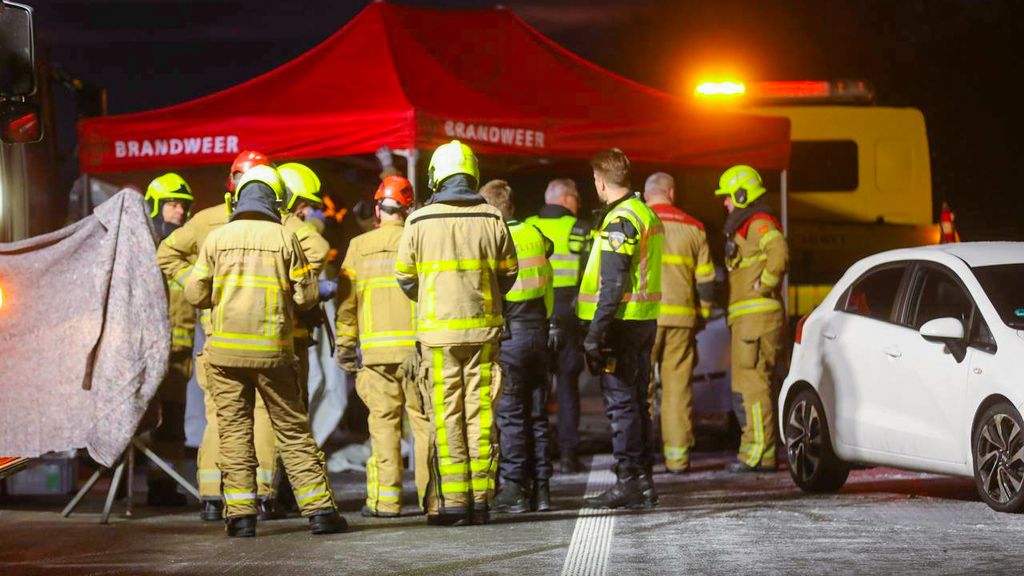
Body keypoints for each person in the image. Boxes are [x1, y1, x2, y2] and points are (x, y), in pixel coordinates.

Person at [183, 165, 345, 537]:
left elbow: (195, 294)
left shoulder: (217, 238)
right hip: (273, 352)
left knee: (234, 432)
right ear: (277, 199)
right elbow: (305, 298)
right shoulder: (286, 238)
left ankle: (240, 517)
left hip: (223, 355)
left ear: (238, 197)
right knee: (292, 430)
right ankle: (319, 512)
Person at [395, 140, 518, 526]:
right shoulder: (492, 218)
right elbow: (509, 273)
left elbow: (405, 278)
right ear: (472, 174)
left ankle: (454, 503)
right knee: (480, 415)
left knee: (446, 416)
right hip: (483, 333)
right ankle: (481, 501)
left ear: (436, 176)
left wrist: (434, 297)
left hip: (437, 336)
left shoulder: (417, 221)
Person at [156, 150, 280, 521]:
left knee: (219, 415)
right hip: (266, 333)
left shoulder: (206, 221)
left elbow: (167, 255)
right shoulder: (275, 224)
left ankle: (212, 496)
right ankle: (260, 494)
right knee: (261, 414)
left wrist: (201, 292)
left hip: (219, 336)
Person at [335, 175, 430, 518]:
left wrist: (345, 344)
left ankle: (385, 502)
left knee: (383, 425)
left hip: (375, 354)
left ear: (378, 208)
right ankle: (431, 499)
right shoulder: (419, 240)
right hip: (416, 352)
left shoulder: (359, 247)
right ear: (408, 209)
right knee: (423, 425)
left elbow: (346, 304)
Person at [577, 148, 663, 509]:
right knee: (638, 403)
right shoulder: (644, 213)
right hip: (642, 320)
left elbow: (611, 286)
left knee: (622, 405)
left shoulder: (619, 221)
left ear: (600, 181)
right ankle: (642, 481)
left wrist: (596, 334)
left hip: (621, 323)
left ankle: (629, 480)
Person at [480, 180, 557, 514]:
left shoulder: (492, 239)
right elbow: (549, 254)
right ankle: (542, 490)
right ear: (510, 204)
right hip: (540, 333)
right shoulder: (535, 233)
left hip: (510, 336)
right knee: (538, 416)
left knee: (511, 417)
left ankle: (513, 489)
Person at [715, 165, 788, 473]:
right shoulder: (747, 225)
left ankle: (758, 453)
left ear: (743, 194)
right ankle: (759, 451)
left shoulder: (757, 223)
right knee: (756, 384)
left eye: (729, 196)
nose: (725, 203)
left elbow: (779, 253)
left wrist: (766, 283)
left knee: (752, 386)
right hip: (751, 320)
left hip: (754, 320)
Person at [643, 172, 715, 474]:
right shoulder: (694, 227)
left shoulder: (637, 222)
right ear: (671, 193)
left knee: (639, 390)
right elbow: (707, 283)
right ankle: (677, 459)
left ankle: (640, 459)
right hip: (683, 319)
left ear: (647, 195)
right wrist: (705, 316)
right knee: (677, 390)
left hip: (643, 318)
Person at [523, 179, 590, 473]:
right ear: (566, 198)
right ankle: (568, 454)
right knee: (567, 386)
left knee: (535, 387)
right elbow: (593, 273)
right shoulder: (580, 229)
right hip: (569, 313)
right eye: (576, 198)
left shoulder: (527, 227)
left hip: (534, 311)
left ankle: (536, 454)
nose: (579, 203)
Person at [144, 173, 195, 506]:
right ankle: (120, 482)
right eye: (172, 204)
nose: (179, 211)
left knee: (172, 424)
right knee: (137, 419)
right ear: (155, 207)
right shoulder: (142, 250)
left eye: (183, 206)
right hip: (145, 352)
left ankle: (162, 486)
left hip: (179, 354)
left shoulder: (189, 254)